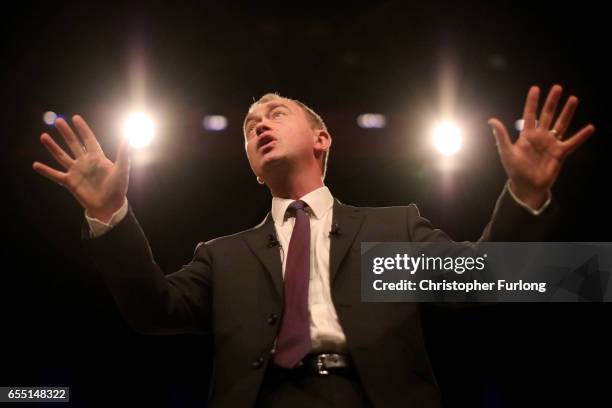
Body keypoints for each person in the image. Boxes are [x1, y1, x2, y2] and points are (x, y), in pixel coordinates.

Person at [33, 85, 594, 407]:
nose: (258, 126)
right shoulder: (224, 257)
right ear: (252, 165)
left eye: (275, 114)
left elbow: (483, 282)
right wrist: (107, 213)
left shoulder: (388, 235)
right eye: (250, 126)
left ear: (322, 139)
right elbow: (153, 311)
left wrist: (523, 193)